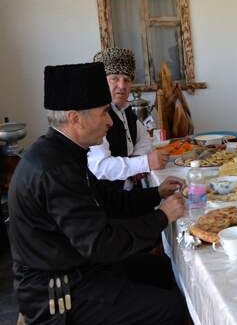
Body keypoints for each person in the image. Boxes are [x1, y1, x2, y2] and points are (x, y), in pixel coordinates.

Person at [8, 62, 187, 324]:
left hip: (81, 265)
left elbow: (108, 201)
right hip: (59, 289)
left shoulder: (66, 152)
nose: (110, 120)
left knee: (166, 269)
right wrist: (162, 216)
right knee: (172, 308)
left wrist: (156, 193)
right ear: (74, 118)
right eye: (104, 112)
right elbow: (101, 244)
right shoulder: (55, 169)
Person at [88, 47, 168, 190]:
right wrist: (143, 163)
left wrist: (137, 158)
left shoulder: (126, 109)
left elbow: (143, 138)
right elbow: (100, 167)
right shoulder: (95, 116)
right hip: (108, 197)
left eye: (127, 80)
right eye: (114, 79)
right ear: (102, 82)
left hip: (131, 192)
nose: (122, 86)